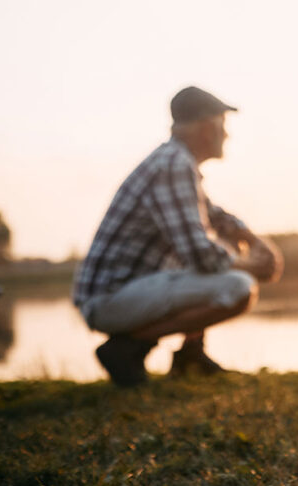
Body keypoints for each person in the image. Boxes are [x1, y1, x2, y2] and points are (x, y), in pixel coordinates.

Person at [72, 86, 282, 387]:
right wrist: (253, 266)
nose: (227, 135)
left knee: (226, 250)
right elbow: (200, 255)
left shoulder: (175, 162)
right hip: (109, 300)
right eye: (223, 126)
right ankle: (127, 347)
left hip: (123, 292)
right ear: (207, 128)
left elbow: (215, 217)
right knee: (239, 287)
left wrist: (253, 240)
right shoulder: (173, 165)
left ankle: (190, 354)